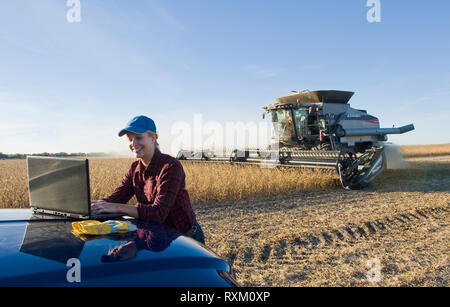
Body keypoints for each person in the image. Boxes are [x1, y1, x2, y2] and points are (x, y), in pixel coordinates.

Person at [91, 115, 205, 244]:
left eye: (139, 137)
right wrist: (91, 205)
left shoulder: (170, 167)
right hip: (158, 237)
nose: (133, 143)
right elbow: (115, 198)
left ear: (153, 138)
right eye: (130, 138)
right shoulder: (135, 169)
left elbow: (158, 213)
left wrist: (116, 208)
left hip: (185, 239)